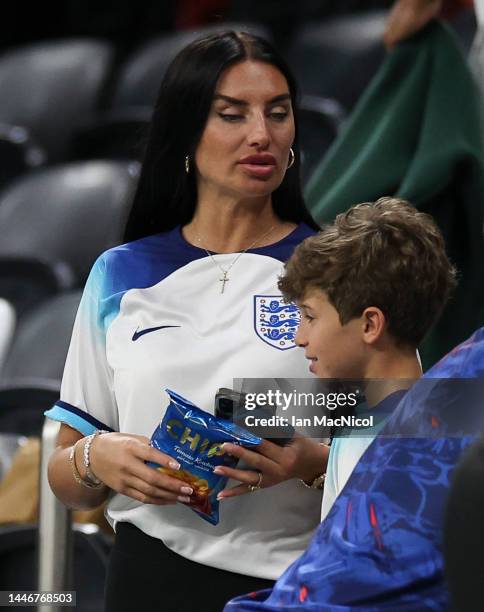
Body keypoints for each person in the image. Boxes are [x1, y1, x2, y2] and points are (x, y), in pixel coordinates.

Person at [44, 31, 330, 612]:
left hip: (294, 583)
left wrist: (313, 462)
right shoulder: (121, 272)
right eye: (232, 115)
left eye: (279, 114)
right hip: (146, 577)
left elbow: (400, 439)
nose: (262, 135)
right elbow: (64, 474)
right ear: (185, 133)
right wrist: (96, 458)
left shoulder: (337, 267)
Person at [224, 197, 461, 610]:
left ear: (370, 324)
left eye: (310, 317)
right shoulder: (385, 423)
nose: (299, 337)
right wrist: (317, 461)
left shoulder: (395, 452)